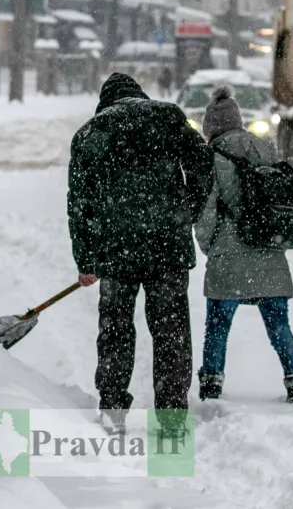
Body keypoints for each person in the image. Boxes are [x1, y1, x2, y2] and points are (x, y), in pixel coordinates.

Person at [68, 73, 214, 436]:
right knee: (171, 330)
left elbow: (78, 205)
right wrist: (187, 210)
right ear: (140, 95)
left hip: (116, 249)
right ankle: (171, 416)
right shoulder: (167, 117)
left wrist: (86, 260)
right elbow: (203, 164)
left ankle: (113, 409)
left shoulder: (89, 134)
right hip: (168, 246)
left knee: (115, 328)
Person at [194, 86, 293, 405]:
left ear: (211, 126)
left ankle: (212, 383)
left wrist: (210, 246)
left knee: (218, 325)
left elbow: (206, 211)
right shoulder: (265, 149)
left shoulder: (212, 158)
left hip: (228, 254)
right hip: (269, 250)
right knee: (278, 324)